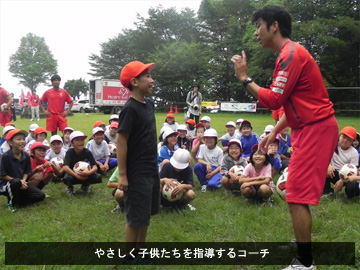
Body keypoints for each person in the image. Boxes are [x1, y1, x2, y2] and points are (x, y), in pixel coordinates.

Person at [231, 5, 338, 269]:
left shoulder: (291, 54)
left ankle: (305, 262)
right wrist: (274, 133)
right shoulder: (288, 54)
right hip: (307, 128)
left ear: (274, 26)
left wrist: (245, 78)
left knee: (296, 196)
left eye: (258, 26)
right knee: (294, 193)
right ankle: (302, 245)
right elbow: (294, 104)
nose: (256, 33)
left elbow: (274, 98)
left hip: (316, 130)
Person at [118, 60, 160, 264]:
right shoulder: (130, 108)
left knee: (146, 213)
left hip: (151, 167)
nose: (152, 80)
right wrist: (124, 174)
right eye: (148, 77)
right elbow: (121, 140)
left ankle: (140, 251)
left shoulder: (149, 104)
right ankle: (128, 255)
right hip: (137, 171)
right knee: (135, 216)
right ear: (134, 82)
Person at [0, 129, 45, 212]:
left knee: (40, 195)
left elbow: (26, 172)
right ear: (10, 142)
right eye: (18, 139)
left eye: (23, 139)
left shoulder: (26, 156)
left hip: (21, 183)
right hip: (5, 185)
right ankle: (10, 204)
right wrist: (19, 181)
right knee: (15, 182)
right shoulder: (5, 157)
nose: (22, 141)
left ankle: (19, 202)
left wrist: (23, 181)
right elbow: (2, 175)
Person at [62, 131, 102, 195]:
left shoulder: (87, 152)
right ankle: (70, 188)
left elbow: (95, 167)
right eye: (78, 140)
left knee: (98, 177)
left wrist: (89, 172)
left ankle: (85, 186)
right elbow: (65, 167)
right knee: (67, 178)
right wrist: (76, 175)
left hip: (85, 173)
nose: (81, 142)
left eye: (82, 140)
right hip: (73, 174)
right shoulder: (70, 152)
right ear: (72, 143)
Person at [322, 127, 359, 197]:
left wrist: (342, 180)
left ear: (352, 142)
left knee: (353, 187)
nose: (345, 140)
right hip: (334, 173)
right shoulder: (333, 146)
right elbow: (322, 158)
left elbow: (353, 171)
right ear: (339, 136)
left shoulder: (354, 152)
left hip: (348, 176)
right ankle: (327, 192)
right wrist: (328, 165)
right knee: (322, 169)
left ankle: (348, 195)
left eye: (349, 139)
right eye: (343, 137)